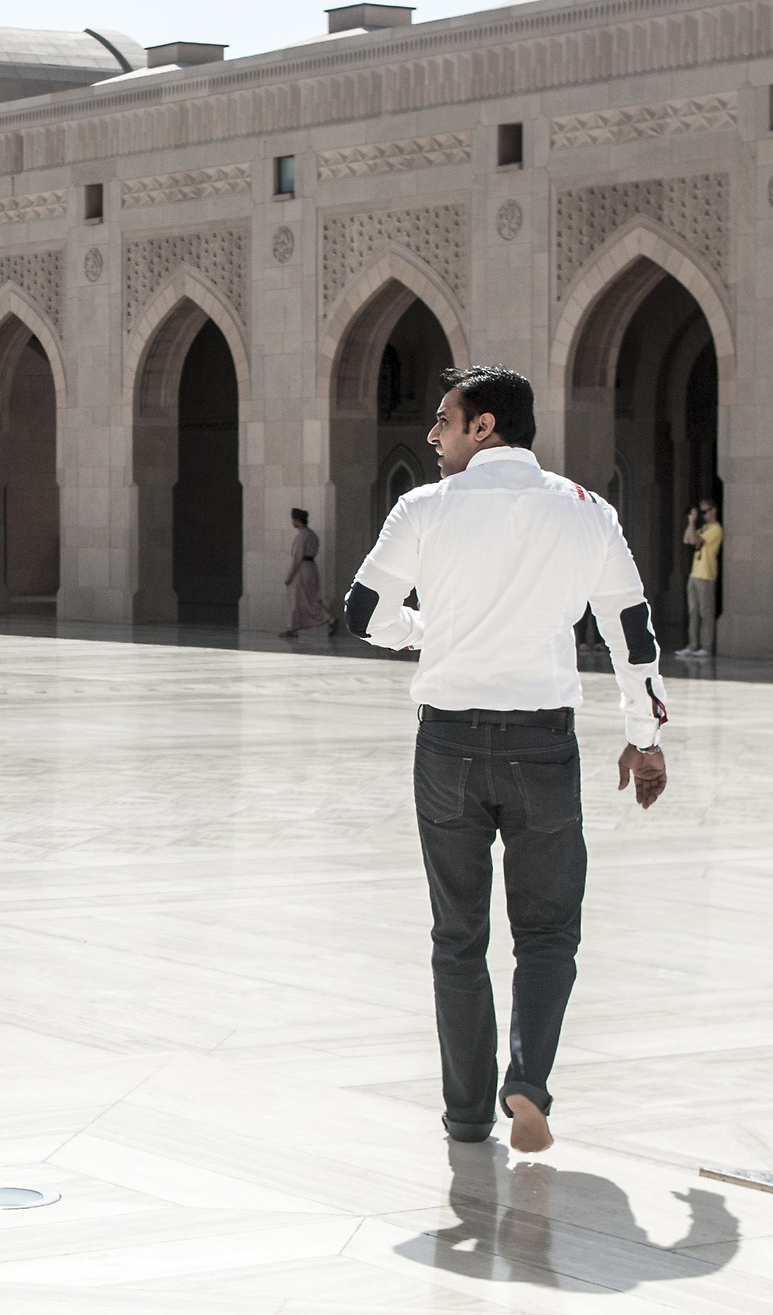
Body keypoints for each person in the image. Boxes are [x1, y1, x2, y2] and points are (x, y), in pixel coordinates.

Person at [344, 367, 670, 1156]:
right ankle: (528, 1079)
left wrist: (427, 635)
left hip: (448, 746)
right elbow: (632, 633)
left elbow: (361, 613)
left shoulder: (424, 509)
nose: (433, 435)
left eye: (445, 420)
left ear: (484, 426)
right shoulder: (587, 510)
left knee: (458, 935)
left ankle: (466, 1117)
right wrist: (646, 738)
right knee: (548, 932)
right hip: (541, 747)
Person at [280, 508, 337, 638]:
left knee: (299, 599)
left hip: (302, 570)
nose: (292, 522)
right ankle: (293, 628)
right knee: (308, 599)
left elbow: (296, 558)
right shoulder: (312, 535)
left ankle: (329, 619)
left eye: (293, 519)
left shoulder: (301, 536)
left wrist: (288, 577)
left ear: (297, 520)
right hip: (311, 568)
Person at [683, 500, 723, 657]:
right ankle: (693, 645)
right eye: (702, 512)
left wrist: (693, 523)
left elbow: (695, 540)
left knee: (705, 612)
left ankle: (706, 647)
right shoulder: (704, 528)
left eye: (706, 511)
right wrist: (690, 522)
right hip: (695, 573)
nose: (704, 515)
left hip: (706, 574)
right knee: (693, 611)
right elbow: (687, 539)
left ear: (714, 511)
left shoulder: (716, 529)